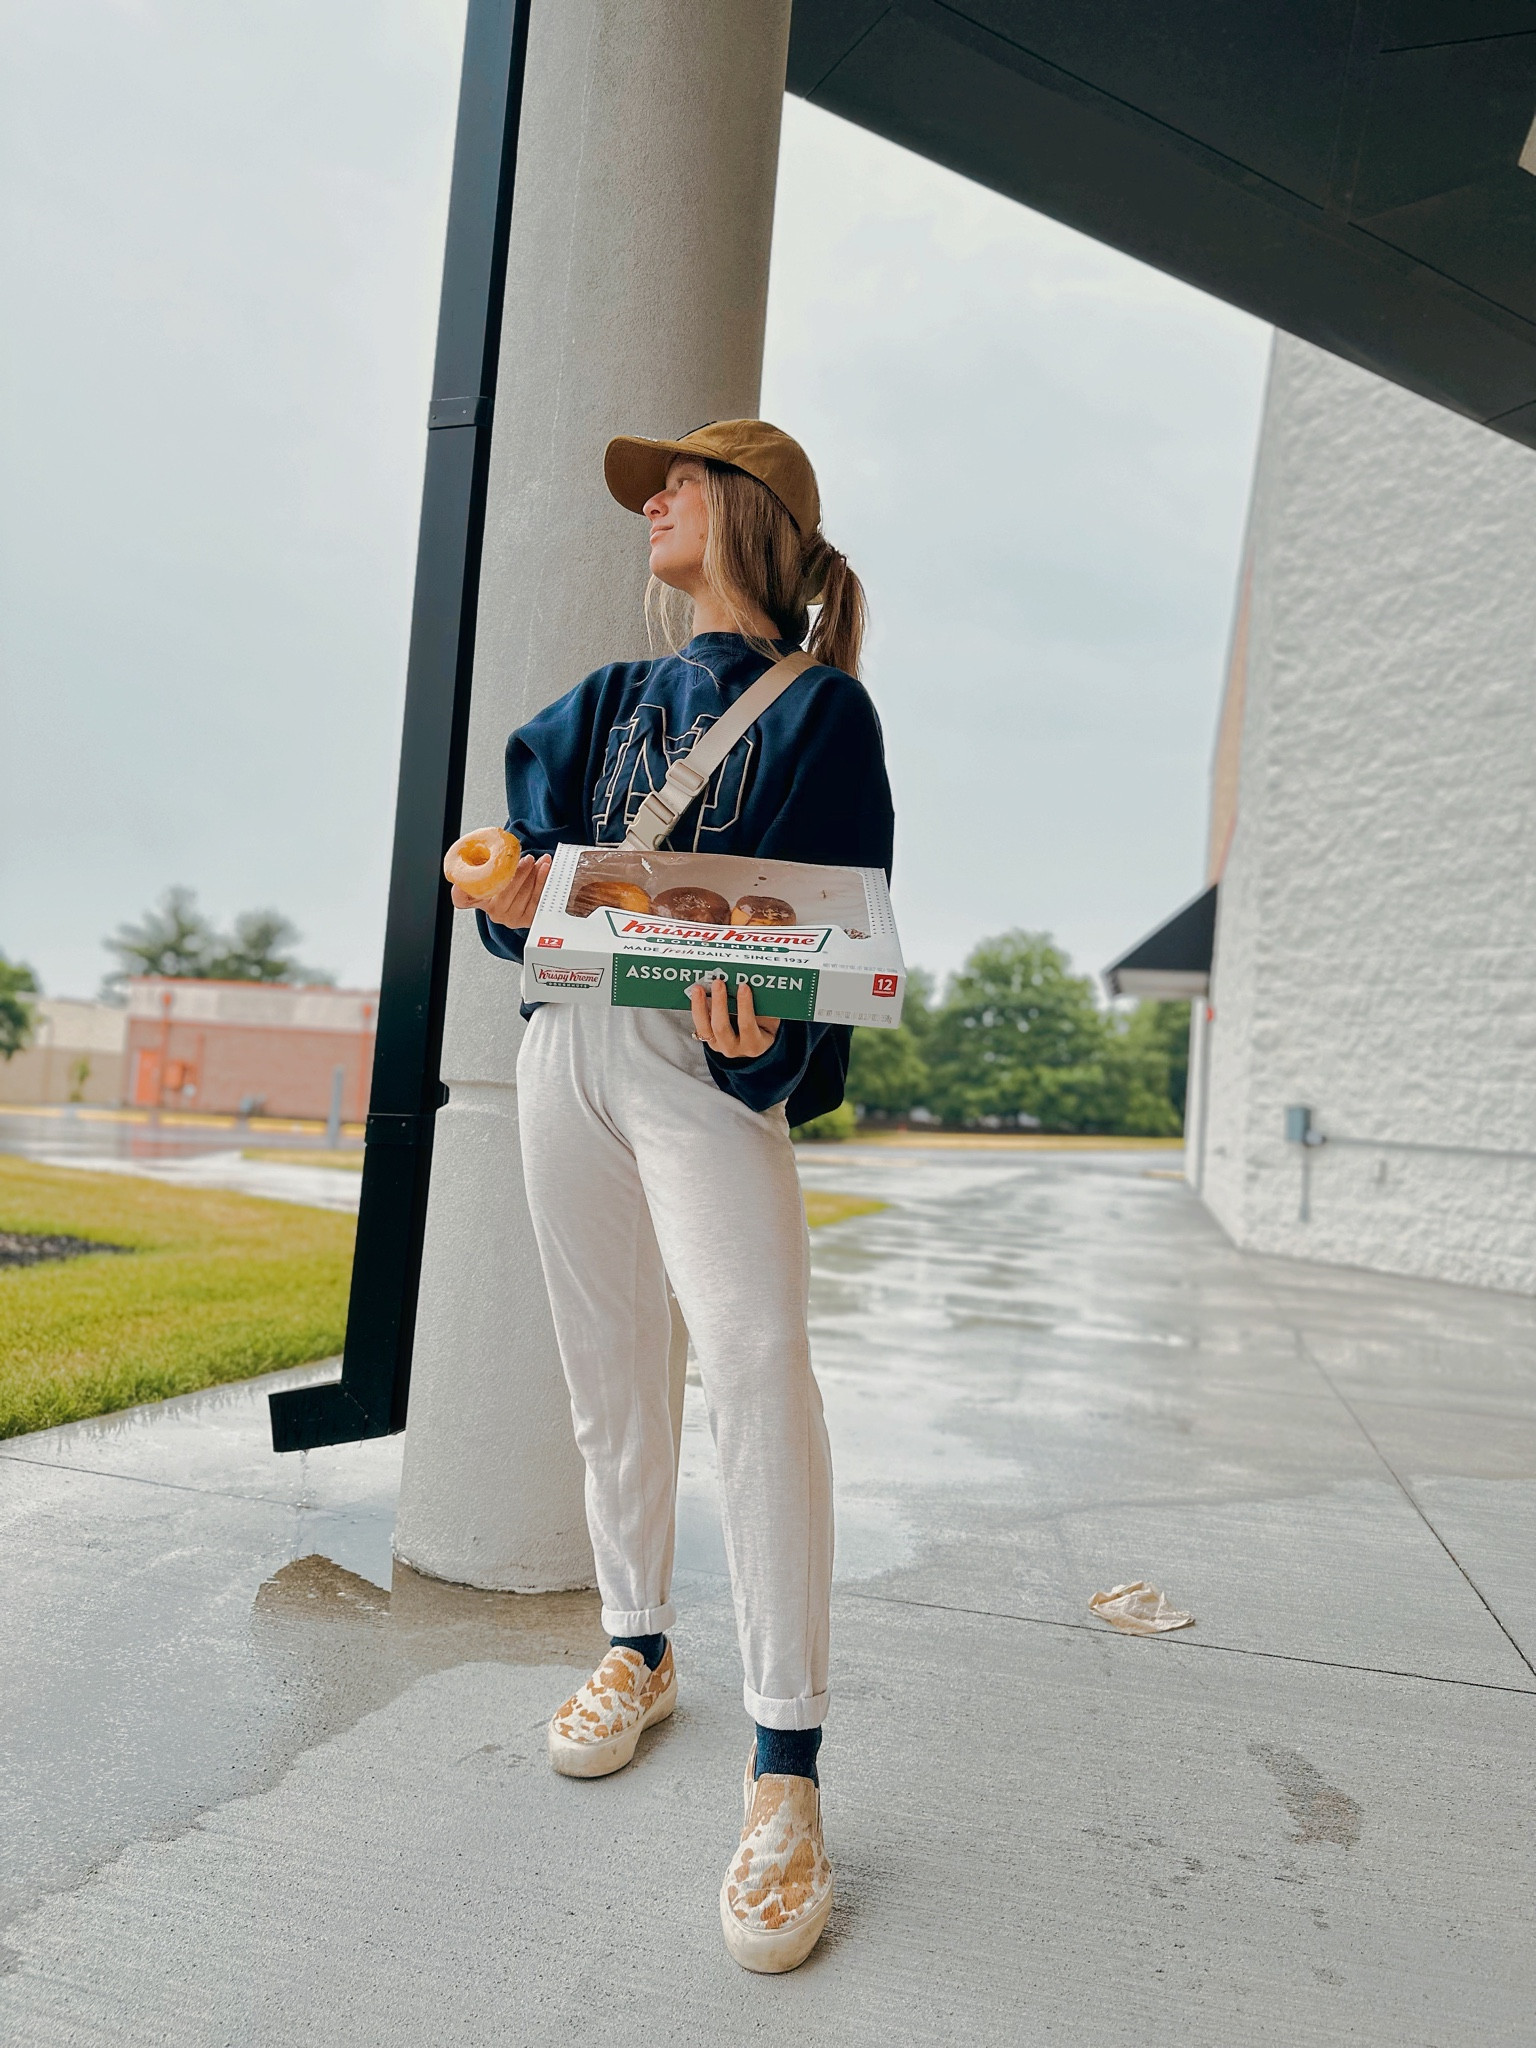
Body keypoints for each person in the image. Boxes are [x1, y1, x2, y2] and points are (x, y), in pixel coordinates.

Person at [449, 419, 894, 1973]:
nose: (652, 500)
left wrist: (770, 1036)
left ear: (751, 511)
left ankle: (787, 1766)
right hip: (566, 1046)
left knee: (760, 1366)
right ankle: (637, 1644)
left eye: (680, 482)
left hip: (701, 1064)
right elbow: (532, 888)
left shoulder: (826, 714)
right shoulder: (605, 701)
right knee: (605, 1376)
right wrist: (510, 894)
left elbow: (830, 932)